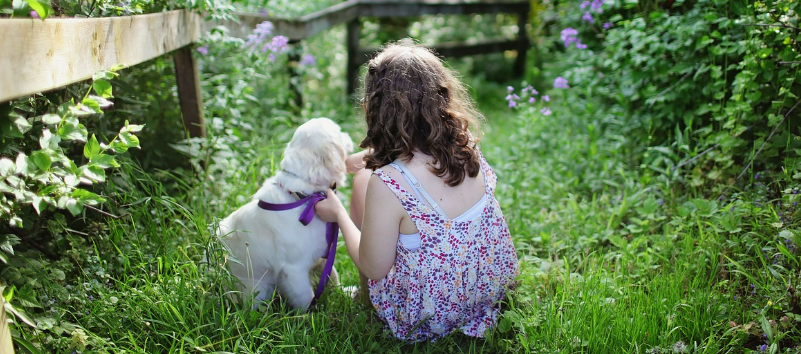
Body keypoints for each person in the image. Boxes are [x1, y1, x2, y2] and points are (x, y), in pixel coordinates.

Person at [314, 40, 518, 342]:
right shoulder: (466, 147)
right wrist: (350, 161)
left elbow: (374, 267)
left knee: (362, 181)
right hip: (487, 290)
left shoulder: (387, 183)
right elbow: (404, 160)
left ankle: (366, 300)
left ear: (372, 109)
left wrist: (339, 215)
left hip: (428, 314)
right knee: (364, 174)